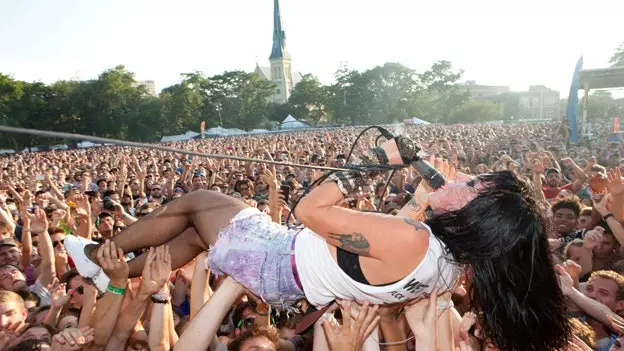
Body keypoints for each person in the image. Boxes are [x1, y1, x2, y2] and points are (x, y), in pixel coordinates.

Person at [64, 136, 570, 350]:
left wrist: (376, 159)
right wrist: (419, 203)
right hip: (286, 271)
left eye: (475, 184)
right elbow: (369, 251)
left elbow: (311, 211)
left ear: (474, 211)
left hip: (275, 256)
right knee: (197, 236)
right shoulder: (446, 264)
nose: (465, 177)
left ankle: (92, 256)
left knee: (198, 200)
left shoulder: (415, 240)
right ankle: (106, 272)